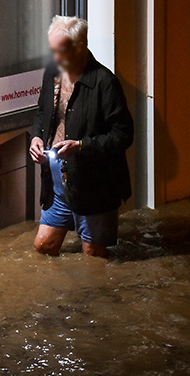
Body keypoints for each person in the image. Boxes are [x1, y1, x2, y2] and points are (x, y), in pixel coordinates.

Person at [29, 16, 134, 258]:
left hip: (95, 186)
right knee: (43, 246)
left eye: (61, 52)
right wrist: (36, 137)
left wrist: (81, 146)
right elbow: (42, 112)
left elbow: (123, 134)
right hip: (57, 181)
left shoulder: (105, 83)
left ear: (81, 46)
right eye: (52, 51)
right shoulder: (52, 73)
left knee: (93, 256)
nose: (55, 58)